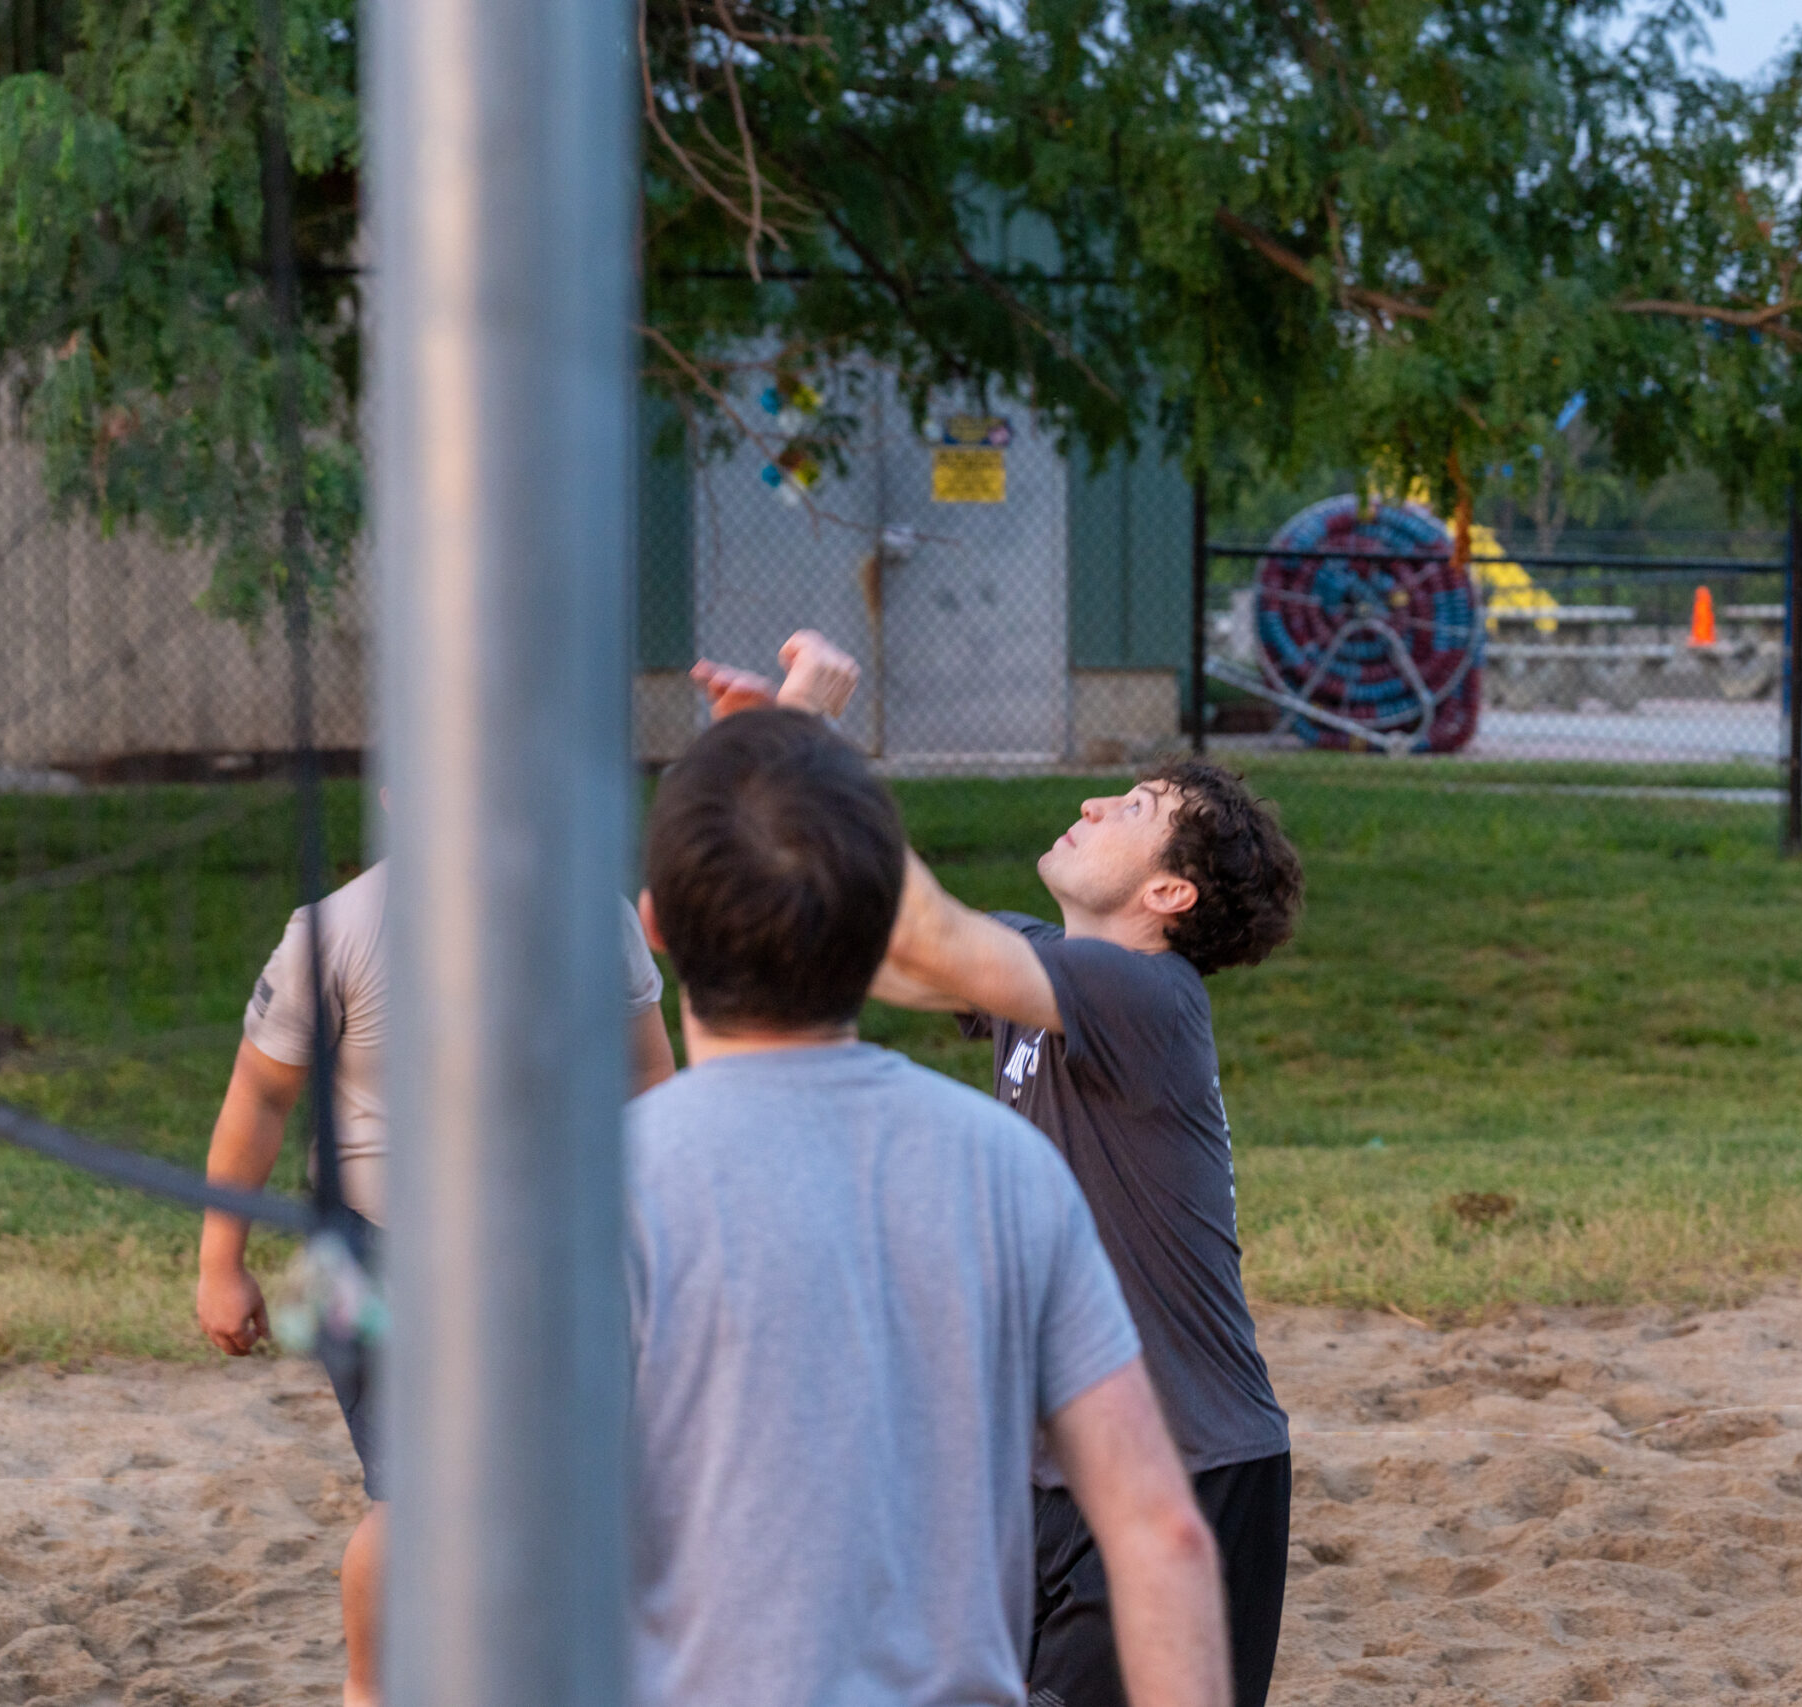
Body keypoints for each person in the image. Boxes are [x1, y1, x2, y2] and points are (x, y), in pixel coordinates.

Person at [696, 631, 1304, 1707]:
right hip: (1052, 1473)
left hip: (1189, 1465)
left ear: (1169, 894)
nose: (1095, 803)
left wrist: (808, 744)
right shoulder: (1049, 973)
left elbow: (926, 932)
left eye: (1133, 807)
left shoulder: (1146, 998)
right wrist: (766, 769)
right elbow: (879, 936)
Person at [195, 858, 675, 1707]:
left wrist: (663, 1229)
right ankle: (373, 1689)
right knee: (415, 1501)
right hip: (375, 1252)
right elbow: (259, 1097)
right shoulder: (335, 930)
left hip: (552, 1253)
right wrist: (219, 1263)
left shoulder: (592, 910)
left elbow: (646, 1079)